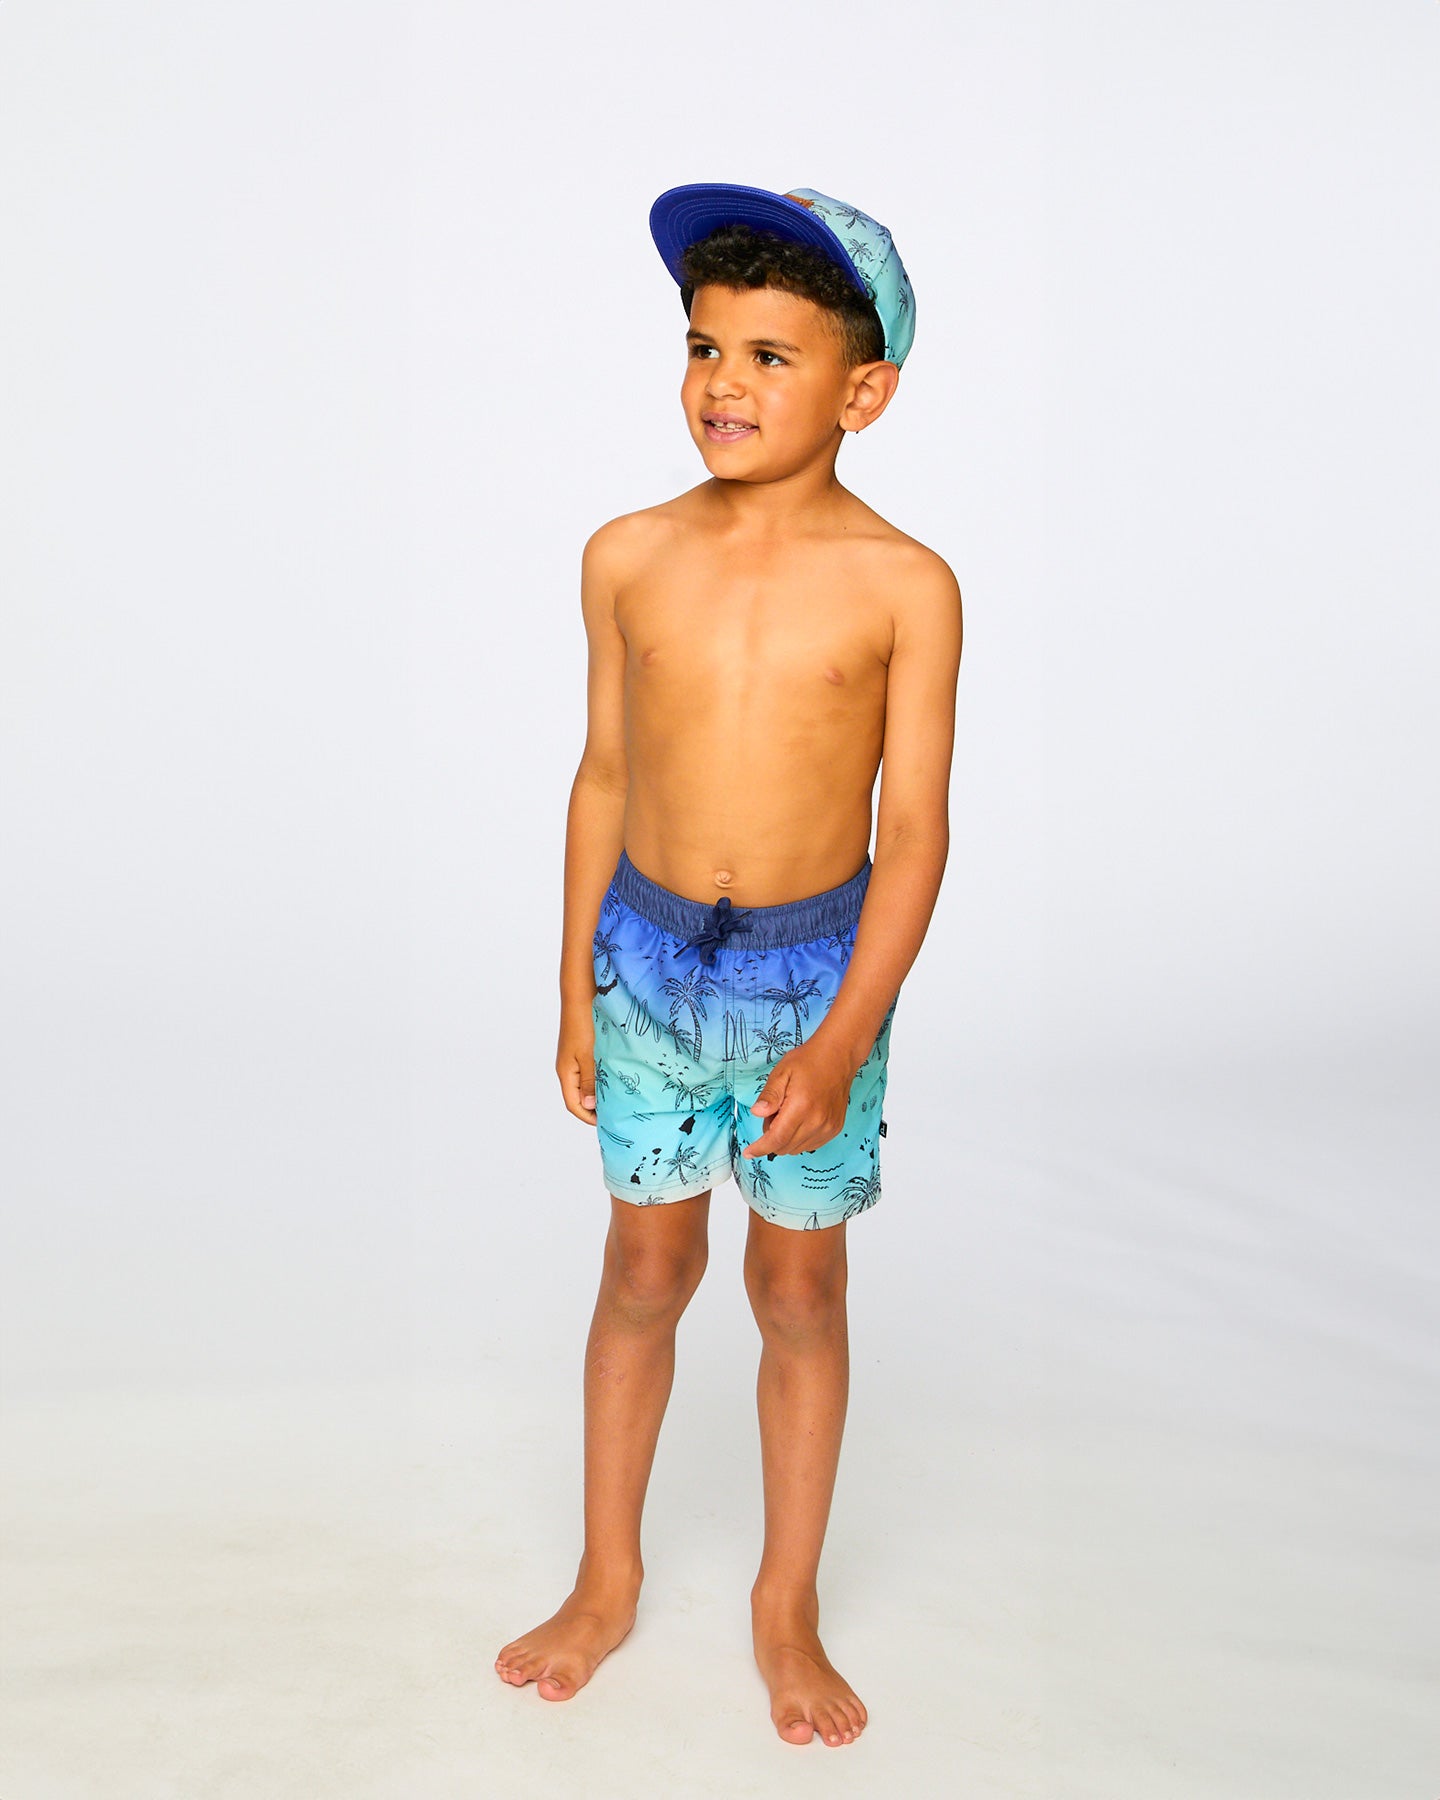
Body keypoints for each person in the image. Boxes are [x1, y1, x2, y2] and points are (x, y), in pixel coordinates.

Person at [495, 182, 963, 1748]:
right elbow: (604, 776)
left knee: (798, 1284)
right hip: (645, 966)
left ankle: (786, 1602)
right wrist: (575, 985)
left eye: (771, 354)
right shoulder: (627, 554)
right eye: (705, 346)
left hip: (813, 982)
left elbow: (914, 837)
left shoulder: (906, 586)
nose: (723, 383)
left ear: (863, 391)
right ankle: (607, 1575)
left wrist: (840, 1038)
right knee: (643, 1270)